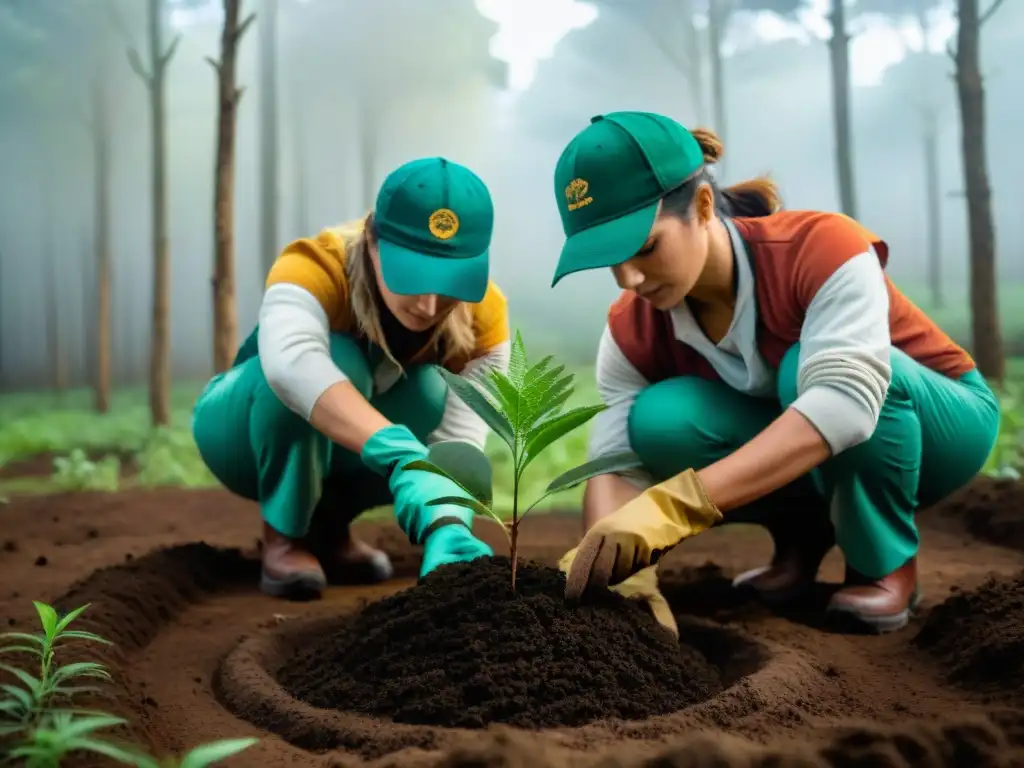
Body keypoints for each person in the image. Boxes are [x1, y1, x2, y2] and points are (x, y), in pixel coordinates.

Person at [552, 111, 1001, 634]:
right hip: (814, 439)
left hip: (942, 425)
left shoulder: (823, 248)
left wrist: (676, 506)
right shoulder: (633, 327)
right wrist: (620, 574)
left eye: (646, 247)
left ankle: (883, 565)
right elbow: (614, 462)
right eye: (609, 259)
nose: (628, 277)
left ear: (701, 207)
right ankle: (802, 539)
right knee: (658, 419)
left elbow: (845, 403)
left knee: (804, 373)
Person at [192, 157, 508, 600]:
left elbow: (460, 436)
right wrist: (401, 456)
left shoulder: (485, 316)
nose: (430, 304)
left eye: (450, 280)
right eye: (414, 277)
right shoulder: (313, 265)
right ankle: (286, 536)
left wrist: (447, 521)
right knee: (339, 361)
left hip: (344, 444)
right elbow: (291, 366)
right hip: (238, 428)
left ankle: (328, 531)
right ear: (373, 242)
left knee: (431, 391)